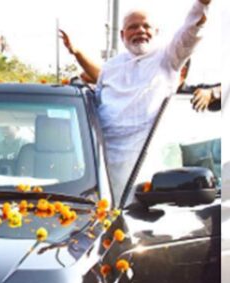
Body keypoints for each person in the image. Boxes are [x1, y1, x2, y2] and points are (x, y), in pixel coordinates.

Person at [83, 0, 210, 198]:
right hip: (101, 168)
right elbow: (95, 109)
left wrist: (202, 5)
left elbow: (189, 34)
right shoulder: (110, 68)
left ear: (156, 32)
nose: (140, 31)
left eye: (146, 26)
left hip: (149, 172)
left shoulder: (168, 57)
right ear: (122, 35)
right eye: (133, 27)